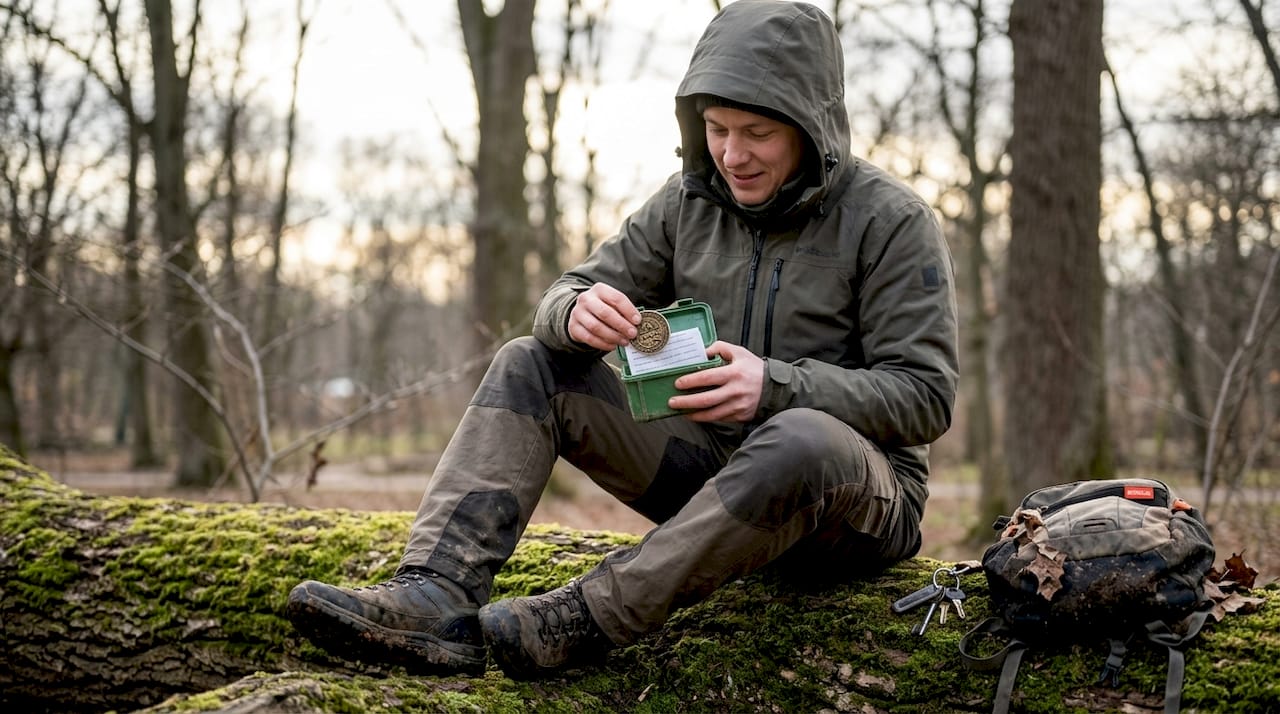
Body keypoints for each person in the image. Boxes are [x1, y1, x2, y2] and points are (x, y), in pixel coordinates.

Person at [286, 0, 958, 680]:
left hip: (852, 509)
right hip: (716, 484)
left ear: (811, 127)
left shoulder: (891, 221)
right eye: (717, 129)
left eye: (756, 131)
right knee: (530, 360)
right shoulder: (688, 202)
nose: (732, 153)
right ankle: (435, 594)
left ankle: (585, 619)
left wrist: (775, 387)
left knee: (800, 435)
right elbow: (563, 293)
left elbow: (927, 397)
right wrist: (574, 311)